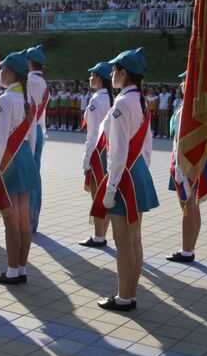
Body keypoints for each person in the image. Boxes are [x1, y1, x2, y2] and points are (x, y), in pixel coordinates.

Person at [88, 48, 158, 312]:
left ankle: (123, 297)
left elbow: (116, 152)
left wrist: (111, 187)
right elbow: (146, 144)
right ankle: (130, 293)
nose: (111, 74)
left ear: (124, 73)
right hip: (137, 171)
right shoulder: (140, 100)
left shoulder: (121, 104)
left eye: (115, 70)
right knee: (134, 239)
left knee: (123, 241)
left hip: (124, 176)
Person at [0, 50, 38, 285]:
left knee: (11, 220)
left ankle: (12, 270)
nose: (0, 73)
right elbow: (33, 136)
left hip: (9, 159)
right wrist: (30, 160)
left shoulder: (5, 100)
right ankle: (22, 267)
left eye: (3, 69)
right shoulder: (28, 99)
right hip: (26, 157)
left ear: (11, 72)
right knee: (24, 218)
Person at [165, 71, 200, 264]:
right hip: (189, 162)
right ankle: (190, 246)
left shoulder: (190, 107)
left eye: (184, 81)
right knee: (193, 206)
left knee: (188, 206)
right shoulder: (196, 105)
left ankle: (187, 250)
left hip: (185, 164)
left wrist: (180, 169)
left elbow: (183, 140)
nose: (181, 84)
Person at [79, 62, 114, 248]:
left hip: (97, 151)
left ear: (100, 78)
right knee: (105, 192)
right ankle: (102, 234)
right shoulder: (111, 98)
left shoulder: (95, 100)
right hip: (109, 149)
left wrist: (86, 158)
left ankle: (98, 236)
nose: (90, 78)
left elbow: (92, 133)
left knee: (97, 193)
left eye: (92, 75)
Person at [25, 45, 49, 233]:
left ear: (29, 62)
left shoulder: (29, 81)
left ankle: (27, 220)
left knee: (28, 176)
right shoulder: (43, 83)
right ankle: (34, 219)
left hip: (28, 132)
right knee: (36, 175)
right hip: (39, 130)